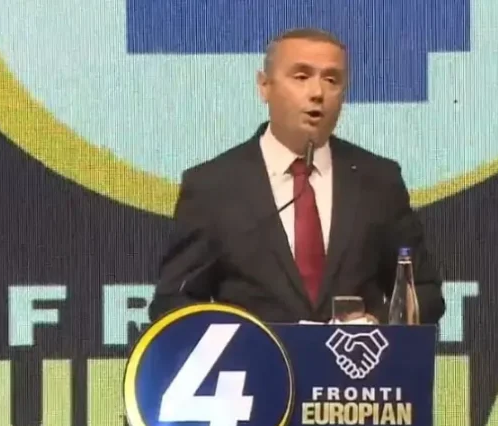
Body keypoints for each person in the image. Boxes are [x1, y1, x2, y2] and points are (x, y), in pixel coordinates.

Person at [148, 28, 446, 325]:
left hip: (356, 354)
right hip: (257, 355)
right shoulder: (213, 186)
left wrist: (373, 323)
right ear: (264, 86)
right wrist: (240, 339)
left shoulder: (379, 181)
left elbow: (425, 292)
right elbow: (173, 302)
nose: (317, 93)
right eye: (301, 77)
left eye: (332, 80)